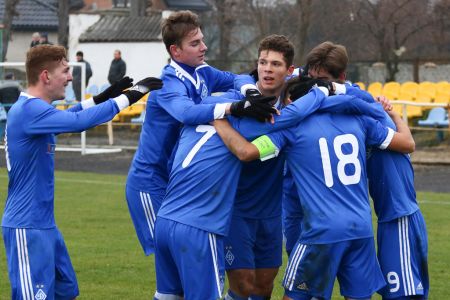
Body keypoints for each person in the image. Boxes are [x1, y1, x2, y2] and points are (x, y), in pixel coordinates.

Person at [213, 79, 416, 300]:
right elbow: (407, 144)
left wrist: (218, 120)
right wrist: (395, 116)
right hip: (361, 229)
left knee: (295, 296)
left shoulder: (291, 129)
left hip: (321, 231)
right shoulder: (358, 120)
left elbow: (245, 152)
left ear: (293, 102)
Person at [1, 44, 162, 300]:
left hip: (44, 225)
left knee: (66, 292)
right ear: (46, 76)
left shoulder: (36, 111)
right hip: (26, 226)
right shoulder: (28, 110)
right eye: (65, 71)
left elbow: (72, 113)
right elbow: (76, 123)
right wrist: (130, 96)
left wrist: (101, 98)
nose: (70, 76)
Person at [125, 10, 276, 258]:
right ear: (176, 51)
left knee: (181, 265)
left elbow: (235, 78)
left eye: (202, 40)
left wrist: (251, 92)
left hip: (177, 181)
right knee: (170, 263)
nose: (204, 47)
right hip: (149, 182)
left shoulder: (201, 71)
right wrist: (233, 107)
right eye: (195, 43)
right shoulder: (168, 83)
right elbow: (186, 112)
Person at [305, 41, 429, 299]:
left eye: (324, 82)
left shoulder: (359, 109)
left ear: (340, 79)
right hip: (386, 217)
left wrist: (394, 116)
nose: (317, 89)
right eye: (312, 81)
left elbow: (409, 144)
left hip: (400, 215)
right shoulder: (357, 102)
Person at [223, 34, 295, 300]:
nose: (267, 69)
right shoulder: (234, 100)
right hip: (236, 210)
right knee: (243, 285)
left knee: (264, 287)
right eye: (263, 62)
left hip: (271, 213)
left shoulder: (290, 112)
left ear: (288, 71)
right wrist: (219, 118)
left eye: (275, 64)